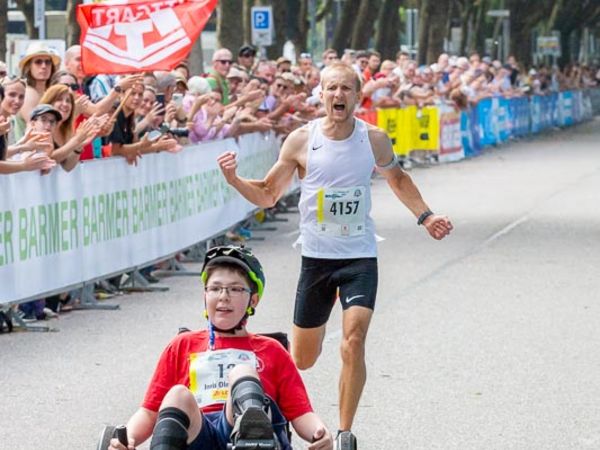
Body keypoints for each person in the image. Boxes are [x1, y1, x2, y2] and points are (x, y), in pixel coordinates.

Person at [217, 62, 453, 450]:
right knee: (303, 358)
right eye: (331, 88)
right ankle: (266, 402)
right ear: (321, 94)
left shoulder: (373, 139)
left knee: (354, 339)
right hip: (316, 258)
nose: (338, 95)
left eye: (345, 89)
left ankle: (344, 432)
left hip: (359, 255)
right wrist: (234, 180)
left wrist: (426, 216)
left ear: (357, 96)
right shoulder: (300, 140)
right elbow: (267, 193)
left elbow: (398, 179)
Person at [108, 245, 333, 450]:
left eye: (235, 289)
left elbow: (301, 411)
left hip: (254, 435)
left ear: (253, 300)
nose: (224, 297)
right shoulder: (182, 345)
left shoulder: (272, 349)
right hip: (200, 433)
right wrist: (128, 439)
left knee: (242, 372)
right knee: (177, 394)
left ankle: (251, 437)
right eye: (215, 288)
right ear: (205, 295)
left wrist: (319, 433)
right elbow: (149, 412)